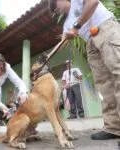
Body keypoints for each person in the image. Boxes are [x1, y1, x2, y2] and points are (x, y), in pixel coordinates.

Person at [51, 0, 120, 140]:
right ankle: (114, 127)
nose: (53, 9)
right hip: (90, 42)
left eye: (54, 4)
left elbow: (93, 2)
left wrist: (76, 26)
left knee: (118, 71)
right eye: (52, 9)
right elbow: (61, 42)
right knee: (104, 84)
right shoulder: (66, 24)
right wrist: (42, 63)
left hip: (105, 27)